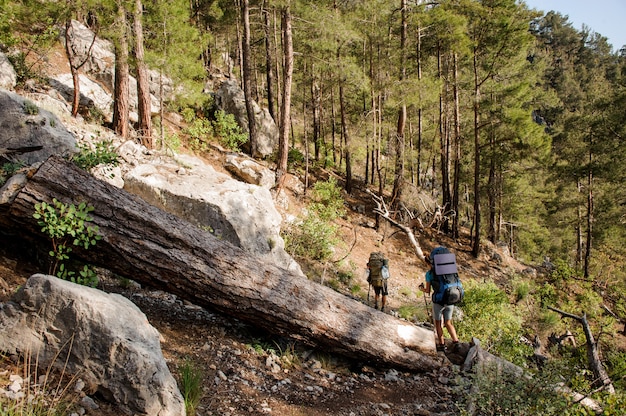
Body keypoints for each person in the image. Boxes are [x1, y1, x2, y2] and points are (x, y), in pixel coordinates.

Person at [419, 247, 460, 352]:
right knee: (448, 322)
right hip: (450, 298)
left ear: (429, 263)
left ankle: (442, 345)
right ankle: (456, 342)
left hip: (438, 301)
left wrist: (421, 289)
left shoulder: (429, 274)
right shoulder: (449, 271)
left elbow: (428, 290)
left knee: (438, 323)